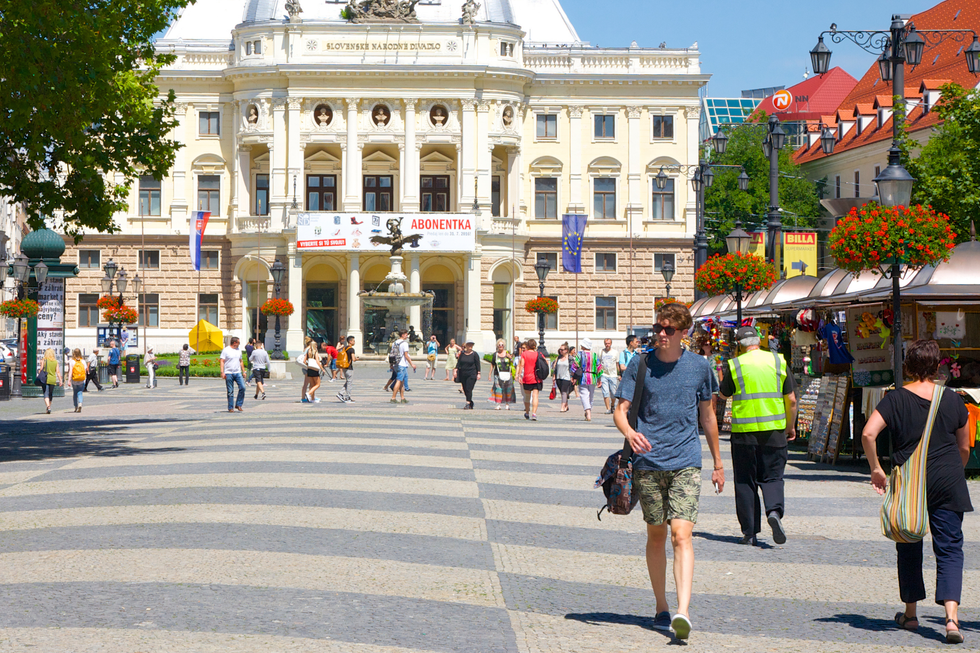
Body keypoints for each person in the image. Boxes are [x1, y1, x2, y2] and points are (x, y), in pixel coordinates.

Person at [613, 303, 725, 640]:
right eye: (658, 328)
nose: (661, 334)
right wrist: (629, 433)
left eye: (668, 330)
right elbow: (621, 409)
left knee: (681, 534)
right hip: (648, 463)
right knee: (657, 534)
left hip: (687, 461)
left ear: (684, 333)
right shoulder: (641, 363)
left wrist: (719, 463)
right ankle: (661, 604)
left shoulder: (700, 367)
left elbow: (708, 417)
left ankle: (683, 610)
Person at [862, 339, 972, 644]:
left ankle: (910, 614)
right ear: (937, 367)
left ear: (908, 367)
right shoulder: (952, 400)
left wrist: (876, 468)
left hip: (911, 482)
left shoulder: (895, 399)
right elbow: (964, 446)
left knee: (908, 541)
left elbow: (869, 433)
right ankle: (951, 620)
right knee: (950, 548)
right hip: (948, 480)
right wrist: (953, 471)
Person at [718, 326, 797, 546]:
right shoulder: (778, 361)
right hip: (774, 432)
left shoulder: (735, 365)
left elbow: (724, 394)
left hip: (744, 434)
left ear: (739, 345)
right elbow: (791, 399)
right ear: (759, 340)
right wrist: (790, 426)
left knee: (745, 481)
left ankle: (750, 533)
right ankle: (773, 511)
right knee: (773, 477)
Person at [572, 339, 602, 421]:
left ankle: (588, 412)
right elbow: (599, 367)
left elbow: (575, 365)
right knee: (591, 396)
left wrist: (573, 376)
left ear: (583, 346)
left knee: (584, 394)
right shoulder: (595, 355)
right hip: (593, 377)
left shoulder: (580, 354)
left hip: (583, 377)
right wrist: (599, 378)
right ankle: (589, 411)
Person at [220, 337, 246, 413]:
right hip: (229, 373)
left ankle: (238, 404)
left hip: (237, 372)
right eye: (238, 343)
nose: (239, 344)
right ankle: (230, 407)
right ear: (234, 343)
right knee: (230, 391)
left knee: (243, 387)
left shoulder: (238, 350)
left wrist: (243, 371)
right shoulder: (226, 350)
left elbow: (240, 361)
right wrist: (222, 372)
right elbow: (222, 361)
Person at [454, 340, 481, 409]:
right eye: (469, 345)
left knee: (469, 388)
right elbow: (459, 363)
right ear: (466, 345)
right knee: (465, 389)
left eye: (471, 345)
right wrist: (455, 370)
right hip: (463, 374)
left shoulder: (475, 354)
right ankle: (470, 401)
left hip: (472, 374)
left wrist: (478, 373)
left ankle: (468, 403)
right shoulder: (462, 354)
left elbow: (478, 364)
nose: (470, 346)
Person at [390, 329, 415, 404]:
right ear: (403, 335)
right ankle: (393, 398)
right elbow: (406, 355)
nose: (407, 336)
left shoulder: (395, 342)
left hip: (396, 364)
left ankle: (402, 397)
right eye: (406, 334)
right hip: (402, 364)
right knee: (399, 381)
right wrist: (412, 364)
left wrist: (391, 365)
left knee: (402, 381)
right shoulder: (404, 343)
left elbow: (392, 354)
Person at [490, 339, 515, 410]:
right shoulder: (495, 354)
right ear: (497, 346)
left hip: (507, 374)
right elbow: (492, 364)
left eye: (502, 345)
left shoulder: (507, 353)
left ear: (504, 346)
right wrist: (489, 374)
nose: (501, 346)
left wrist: (510, 358)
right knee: (498, 389)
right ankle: (498, 404)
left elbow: (512, 363)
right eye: (499, 345)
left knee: (507, 389)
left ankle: (507, 405)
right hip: (497, 374)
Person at [600, 338, 620, 414]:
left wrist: (618, 374)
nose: (607, 345)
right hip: (604, 374)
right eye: (606, 343)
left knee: (613, 392)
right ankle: (608, 408)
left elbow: (617, 364)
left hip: (613, 375)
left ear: (611, 344)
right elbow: (599, 364)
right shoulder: (601, 352)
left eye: (608, 343)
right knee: (605, 392)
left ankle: (612, 405)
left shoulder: (615, 352)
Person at [39, 348, 61, 414]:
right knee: (50, 394)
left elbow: (40, 370)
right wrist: (60, 380)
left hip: (45, 379)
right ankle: (49, 407)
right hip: (53, 379)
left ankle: (48, 407)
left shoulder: (44, 360)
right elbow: (58, 372)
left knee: (46, 393)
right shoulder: (55, 361)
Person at [552, 343, 573, 412]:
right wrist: (554, 376)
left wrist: (572, 377)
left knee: (564, 392)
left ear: (566, 350)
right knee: (562, 392)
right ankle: (566, 405)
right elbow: (554, 368)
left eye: (562, 350)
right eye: (560, 349)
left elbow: (573, 368)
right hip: (558, 377)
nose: (560, 351)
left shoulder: (570, 358)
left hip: (567, 377)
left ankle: (562, 407)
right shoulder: (558, 358)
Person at [336, 335, 357, 403]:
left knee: (348, 381)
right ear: (350, 341)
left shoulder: (345, 348)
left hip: (344, 367)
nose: (354, 342)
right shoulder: (351, 349)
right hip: (349, 367)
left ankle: (341, 393)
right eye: (353, 341)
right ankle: (347, 397)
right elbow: (353, 359)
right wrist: (357, 359)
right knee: (349, 382)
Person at [302, 338, 324, 403]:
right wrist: (322, 368)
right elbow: (317, 361)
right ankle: (309, 393)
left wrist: (308, 364)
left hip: (309, 369)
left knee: (312, 384)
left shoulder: (308, 351)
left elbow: (304, 361)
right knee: (317, 384)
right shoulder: (315, 352)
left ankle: (312, 398)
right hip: (315, 369)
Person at [69, 348, 87, 413]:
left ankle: (76, 406)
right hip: (82, 379)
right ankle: (80, 403)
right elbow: (85, 371)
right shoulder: (83, 361)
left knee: (75, 393)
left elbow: (70, 371)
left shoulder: (72, 361)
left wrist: (68, 380)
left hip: (74, 379)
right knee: (80, 392)